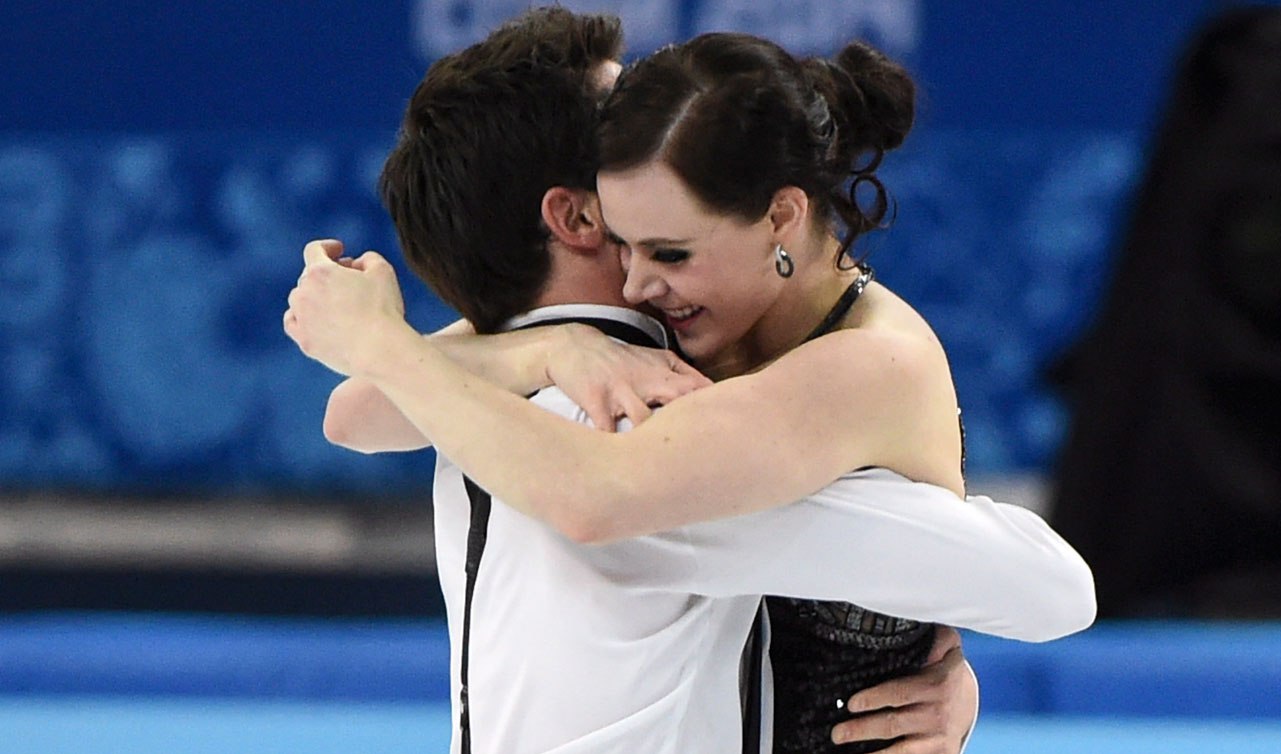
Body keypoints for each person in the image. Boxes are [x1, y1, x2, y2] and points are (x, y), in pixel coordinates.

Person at [287, 8, 1095, 753]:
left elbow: (1049, 590)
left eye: (668, 250)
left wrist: (385, 340)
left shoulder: (825, 370)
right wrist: (535, 352)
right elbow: (361, 412)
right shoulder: (602, 382)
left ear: (777, 217)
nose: (640, 283)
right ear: (583, 216)